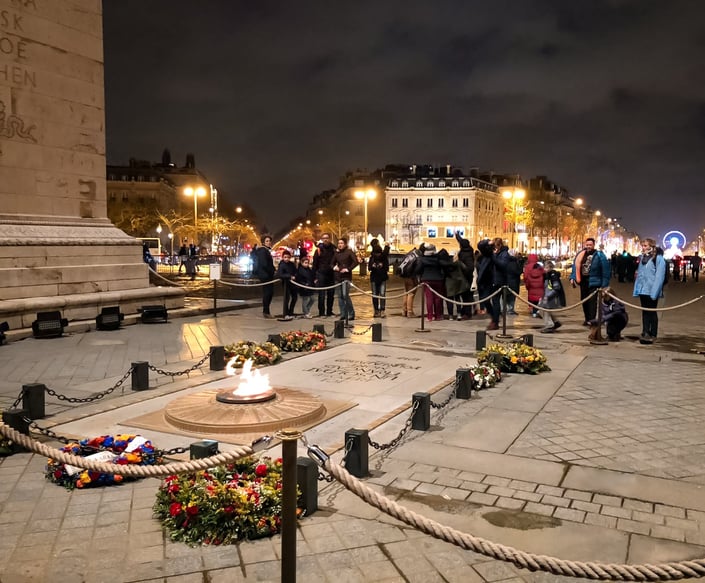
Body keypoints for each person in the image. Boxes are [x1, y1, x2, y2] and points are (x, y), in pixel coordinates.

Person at [569, 237, 611, 325]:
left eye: (590, 245)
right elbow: (575, 267)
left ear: (594, 245)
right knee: (584, 301)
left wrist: (604, 284)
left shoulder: (599, 255)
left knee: (592, 302)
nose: (588, 246)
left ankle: (592, 320)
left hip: (594, 282)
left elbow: (606, 270)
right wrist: (572, 277)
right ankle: (587, 319)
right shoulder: (580, 254)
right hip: (583, 281)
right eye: (587, 244)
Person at [633, 238, 666, 344]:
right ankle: (645, 331)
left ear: (652, 246)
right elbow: (640, 275)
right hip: (643, 289)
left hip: (651, 289)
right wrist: (637, 289)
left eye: (646, 245)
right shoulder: (642, 257)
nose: (644, 248)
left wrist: (655, 292)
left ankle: (653, 333)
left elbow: (659, 277)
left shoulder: (659, 259)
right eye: (643, 245)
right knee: (645, 312)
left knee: (652, 312)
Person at [414, 243, 446, 321]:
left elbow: (418, 269)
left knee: (429, 298)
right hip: (438, 279)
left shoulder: (422, 259)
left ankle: (430, 316)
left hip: (426, 279)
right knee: (438, 298)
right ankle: (438, 316)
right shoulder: (438, 259)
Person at [331, 237, 358, 321]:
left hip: (346, 277)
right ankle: (342, 313)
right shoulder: (336, 253)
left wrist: (348, 269)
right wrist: (334, 267)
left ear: (345, 244)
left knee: (345, 295)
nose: (340, 245)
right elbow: (331, 263)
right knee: (340, 296)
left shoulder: (349, 252)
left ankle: (351, 313)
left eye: (342, 243)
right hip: (338, 277)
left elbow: (355, 262)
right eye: (339, 243)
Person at [251, 234, 275, 318]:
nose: (269, 242)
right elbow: (264, 264)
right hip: (265, 275)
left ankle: (266, 311)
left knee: (269, 293)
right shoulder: (263, 251)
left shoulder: (264, 250)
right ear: (263, 242)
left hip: (266, 274)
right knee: (268, 293)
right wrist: (272, 270)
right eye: (267, 241)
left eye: (269, 241)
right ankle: (266, 311)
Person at [312, 233, 336, 317]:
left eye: (327, 238)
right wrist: (314, 277)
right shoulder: (318, 250)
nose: (325, 239)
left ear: (330, 239)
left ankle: (329, 311)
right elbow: (314, 264)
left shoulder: (334, 249)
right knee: (321, 295)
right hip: (321, 274)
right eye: (323, 238)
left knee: (331, 294)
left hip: (331, 274)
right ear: (322, 239)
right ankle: (321, 312)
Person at [539, 260, 566, 333]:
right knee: (543, 310)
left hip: (552, 297)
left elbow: (556, 287)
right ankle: (555, 322)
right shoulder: (547, 275)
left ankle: (549, 325)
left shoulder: (553, 275)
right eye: (545, 267)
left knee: (545, 310)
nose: (545, 269)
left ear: (550, 268)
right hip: (547, 295)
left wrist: (548, 296)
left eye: (546, 267)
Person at [454, 232, 474, 319]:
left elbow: (470, 268)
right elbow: (461, 241)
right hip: (464, 277)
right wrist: (457, 234)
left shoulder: (466, 254)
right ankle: (465, 310)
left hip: (466, 277)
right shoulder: (468, 249)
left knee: (466, 296)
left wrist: (460, 264)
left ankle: (467, 313)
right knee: (465, 295)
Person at [368, 239, 390, 318]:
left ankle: (376, 311)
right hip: (381, 277)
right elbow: (387, 267)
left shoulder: (372, 257)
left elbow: (369, 268)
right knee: (381, 294)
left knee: (375, 294)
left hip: (375, 278)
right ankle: (381, 310)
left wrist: (374, 267)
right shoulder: (383, 257)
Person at [275, 249, 297, 320]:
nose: (286, 258)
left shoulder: (292, 264)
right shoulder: (281, 265)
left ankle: (291, 311)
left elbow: (295, 271)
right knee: (286, 299)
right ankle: (286, 313)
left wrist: (295, 276)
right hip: (286, 284)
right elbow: (280, 274)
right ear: (282, 257)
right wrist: (289, 276)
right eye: (285, 257)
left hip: (293, 284)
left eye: (288, 257)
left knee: (294, 297)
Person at [523, 253, 545, 317]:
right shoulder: (539, 266)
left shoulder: (527, 266)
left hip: (531, 285)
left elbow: (525, 276)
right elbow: (543, 274)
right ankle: (538, 309)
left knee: (531, 297)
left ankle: (533, 310)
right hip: (540, 286)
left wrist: (527, 284)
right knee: (539, 297)